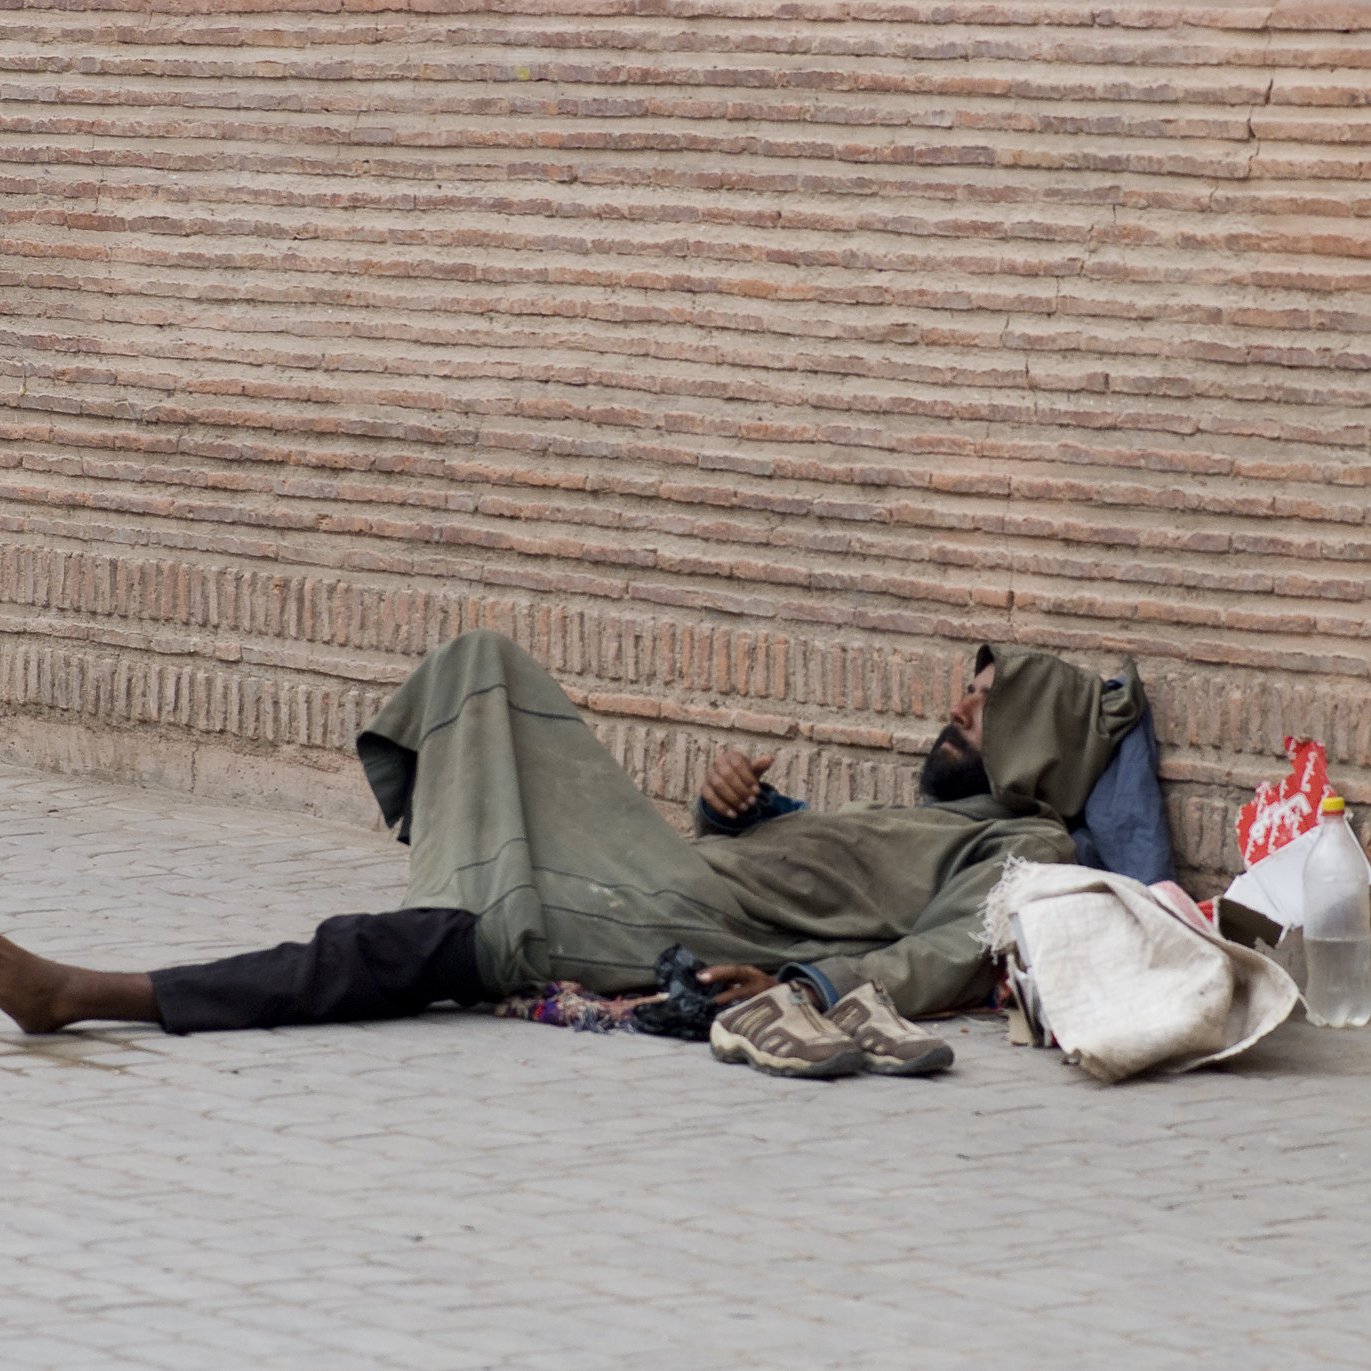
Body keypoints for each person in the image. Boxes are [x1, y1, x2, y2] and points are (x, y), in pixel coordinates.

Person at [0, 631, 1152, 1078]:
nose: (954, 711)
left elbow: (949, 951)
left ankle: (87, 994)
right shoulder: (934, 818)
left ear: (1032, 744)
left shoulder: (1031, 851)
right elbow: (811, 873)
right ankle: (463, 879)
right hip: (672, 867)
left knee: (435, 944)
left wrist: (810, 984)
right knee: (481, 668)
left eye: (980, 708)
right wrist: (728, 811)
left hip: (676, 920)